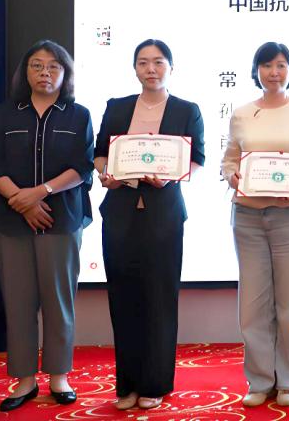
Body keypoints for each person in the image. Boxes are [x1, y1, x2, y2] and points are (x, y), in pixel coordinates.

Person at [0, 40, 93, 412]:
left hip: (62, 220)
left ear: (65, 73)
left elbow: (83, 168)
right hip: (11, 221)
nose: (45, 72)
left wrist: (40, 192)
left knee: (59, 301)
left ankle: (59, 376)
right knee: (18, 301)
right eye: (37, 65)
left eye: (53, 66)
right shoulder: (6, 114)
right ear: (25, 72)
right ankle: (24, 380)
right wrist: (21, 200)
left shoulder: (78, 115)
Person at [93, 39, 205, 410]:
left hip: (163, 215)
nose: (151, 69)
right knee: (123, 296)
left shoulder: (187, 109)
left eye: (158, 62)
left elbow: (197, 159)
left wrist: (170, 177)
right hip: (121, 211)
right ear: (135, 68)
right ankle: (127, 384)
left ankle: (154, 382)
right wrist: (106, 174)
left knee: (159, 297)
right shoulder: (117, 106)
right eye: (143, 62)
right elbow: (100, 154)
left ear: (171, 67)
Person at [221, 42, 289, 408]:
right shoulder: (242, 114)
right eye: (266, 65)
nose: (274, 72)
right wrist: (233, 176)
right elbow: (229, 160)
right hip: (248, 217)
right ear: (257, 71)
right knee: (253, 304)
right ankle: (260, 379)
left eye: (281, 65)